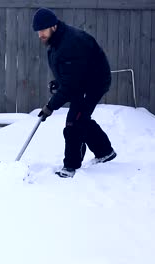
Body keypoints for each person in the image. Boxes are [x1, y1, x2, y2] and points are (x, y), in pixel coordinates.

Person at [32, 7, 117, 178]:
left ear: (53, 26)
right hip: (82, 81)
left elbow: (72, 83)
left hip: (93, 83)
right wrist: (59, 83)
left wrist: (50, 106)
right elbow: (71, 74)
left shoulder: (70, 43)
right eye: (38, 31)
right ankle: (105, 152)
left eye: (43, 29)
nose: (40, 34)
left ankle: (70, 167)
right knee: (81, 118)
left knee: (74, 122)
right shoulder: (57, 42)